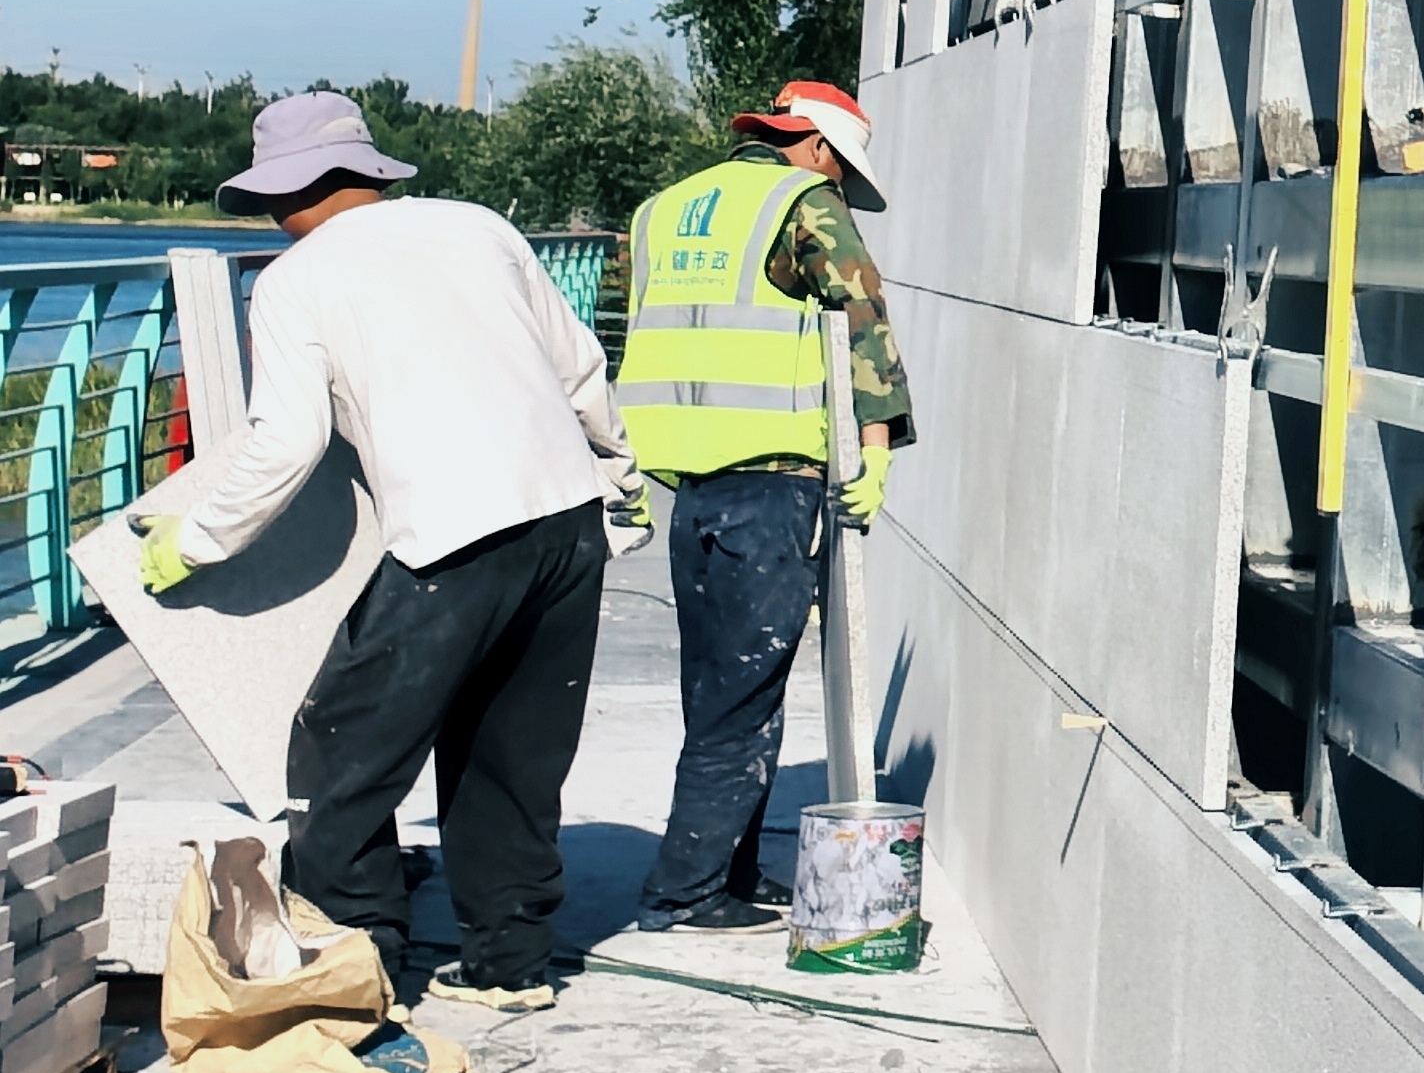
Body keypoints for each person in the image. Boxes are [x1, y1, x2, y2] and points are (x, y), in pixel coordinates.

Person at [131, 91, 639, 1015]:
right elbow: (579, 367)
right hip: (567, 517)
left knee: (341, 756)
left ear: (290, 194)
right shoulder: (479, 227)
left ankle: (354, 969)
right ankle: (510, 967)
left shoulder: (296, 280)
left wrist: (196, 539)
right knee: (508, 753)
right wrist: (620, 470)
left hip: (454, 537)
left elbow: (285, 444)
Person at [616, 76, 910, 932]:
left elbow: (616, 335)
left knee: (717, 687)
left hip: (687, 485)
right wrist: (878, 449)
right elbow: (863, 322)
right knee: (745, 697)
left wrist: (619, 474)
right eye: (840, 167)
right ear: (816, 146)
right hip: (772, 480)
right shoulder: (804, 203)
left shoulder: (662, 211)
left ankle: (727, 870)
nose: (839, 184)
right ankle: (687, 890)